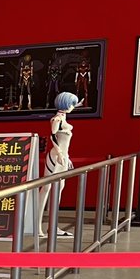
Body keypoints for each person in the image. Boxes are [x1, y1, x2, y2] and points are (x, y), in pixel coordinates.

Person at [38, 91, 79, 238]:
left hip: (63, 157)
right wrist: (60, 154)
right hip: (56, 157)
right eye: (72, 104)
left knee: (58, 190)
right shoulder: (57, 119)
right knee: (46, 189)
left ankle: (53, 226)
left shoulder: (63, 118)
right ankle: (36, 226)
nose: (73, 107)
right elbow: (52, 136)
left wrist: (66, 157)